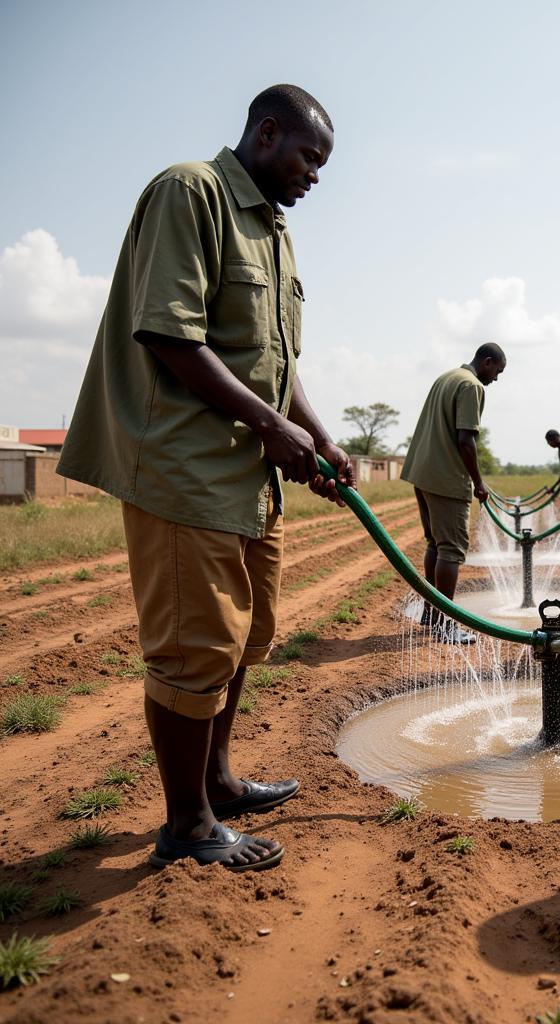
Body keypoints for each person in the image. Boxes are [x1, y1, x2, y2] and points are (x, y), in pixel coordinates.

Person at [57, 85, 354, 872]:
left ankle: (218, 782)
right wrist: (270, 425)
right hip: (187, 467)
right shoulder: (192, 192)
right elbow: (168, 334)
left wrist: (317, 435)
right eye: (307, 156)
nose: (314, 176)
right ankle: (187, 824)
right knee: (196, 648)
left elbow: (274, 362)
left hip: (248, 476)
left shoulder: (275, 233)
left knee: (245, 638)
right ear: (265, 133)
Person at [401, 344, 507, 643]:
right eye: (497, 372)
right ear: (487, 362)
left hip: (422, 473)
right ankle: (446, 624)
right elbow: (465, 440)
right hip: (447, 478)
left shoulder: (447, 376)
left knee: (436, 544)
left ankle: (432, 613)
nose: (496, 379)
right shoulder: (472, 386)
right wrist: (479, 482)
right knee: (451, 549)